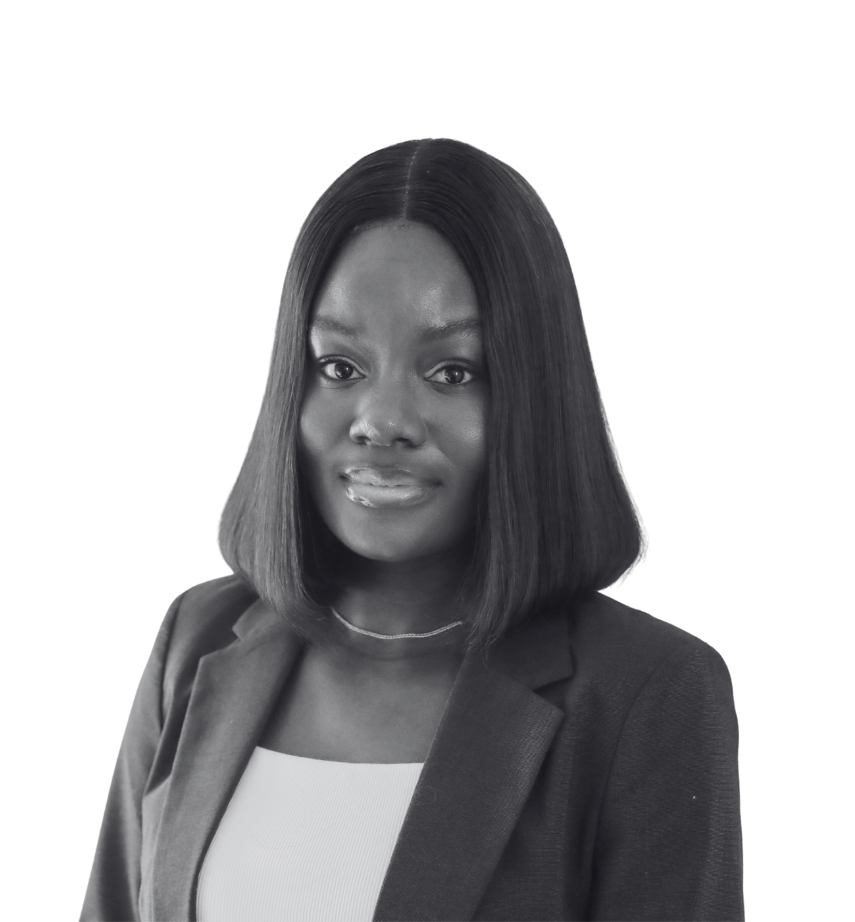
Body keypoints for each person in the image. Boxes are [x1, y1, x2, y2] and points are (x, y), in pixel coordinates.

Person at [81, 138, 744, 922]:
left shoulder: (645, 694)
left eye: (451, 372)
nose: (382, 421)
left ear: (531, 398)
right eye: (339, 367)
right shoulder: (197, 642)